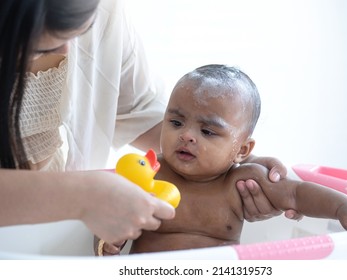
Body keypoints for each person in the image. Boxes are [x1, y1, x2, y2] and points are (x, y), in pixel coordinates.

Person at [0, 0, 292, 248]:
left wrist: (233, 163)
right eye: (38, 45)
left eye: (82, 29)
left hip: (49, 234)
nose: (66, 50)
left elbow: (144, 114)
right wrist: (83, 194)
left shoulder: (102, 10)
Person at [97, 64, 347, 255]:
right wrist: (107, 243)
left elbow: (297, 193)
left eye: (208, 131)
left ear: (242, 150)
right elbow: (104, 221)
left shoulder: (240, 182)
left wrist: (343, 207)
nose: (187, 136)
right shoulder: (148, 177)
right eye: (175, 123)